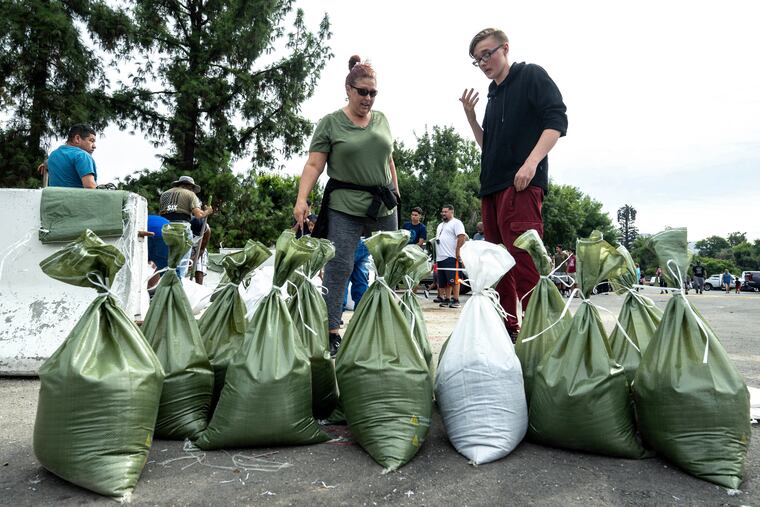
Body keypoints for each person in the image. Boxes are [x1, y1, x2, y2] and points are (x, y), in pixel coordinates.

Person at [459, 28, 568, 339]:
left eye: (487, 53)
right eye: (477, 59)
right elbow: (489, 147)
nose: (483, 62)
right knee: (498, 266)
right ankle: (510, 330)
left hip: (521, 186)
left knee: (524, 262)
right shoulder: (492, 96)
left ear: (505, 48)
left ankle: (541, 334)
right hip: (491, 189)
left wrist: (531, 163)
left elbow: (556, 121)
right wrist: (471, 119)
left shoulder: (530, 76)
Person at [292, 55, 400, 357]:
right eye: (363, 91)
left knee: (391, 265)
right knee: (339, 265)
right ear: (348, 89)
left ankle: (389, 322)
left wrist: (396, 190)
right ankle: (331, 330)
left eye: (373, 93)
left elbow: (389, 157)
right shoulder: (330, 123)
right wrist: (302, 199)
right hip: (345, 203)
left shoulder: (382, 120)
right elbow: (314, 164)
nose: (368, 98)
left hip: (383, 203)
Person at [159, 175, 213, 279]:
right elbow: (199, 215)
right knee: (181, 265)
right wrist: (208, 211)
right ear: (190, 187)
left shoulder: (164, 194)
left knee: (166, 261)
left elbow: (162, 212)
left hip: (165, 228)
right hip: (181, 228)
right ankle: (178, 285)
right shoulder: (190, 194)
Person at [46, 124, 98, 188]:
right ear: (77, 138)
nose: (94, 146)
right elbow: (90, 187)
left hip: (55, 197)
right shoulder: (82, 155)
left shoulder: (53, 155)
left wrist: (44, 165)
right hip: (77, 198)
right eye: (91, 141)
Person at [435, 205, 466, 309]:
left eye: (446, 212)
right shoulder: (440, 225)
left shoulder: (456, 223)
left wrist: (457, 251)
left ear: (452, 212)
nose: (443, 213)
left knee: (454, 280)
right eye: (442, 212)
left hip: (451, 256)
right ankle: (447, 299)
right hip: (441, 257)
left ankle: (456, 300)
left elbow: (462, 236)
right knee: (445, 281)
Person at [190, 217, 212, 285]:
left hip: (199, 249)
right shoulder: (186, 227)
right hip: (187, 247)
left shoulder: (207, 230)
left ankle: (199, 287)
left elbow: (202, 249)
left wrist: (193, 260)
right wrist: (188, 260)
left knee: (199, 268)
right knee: (182, 266)